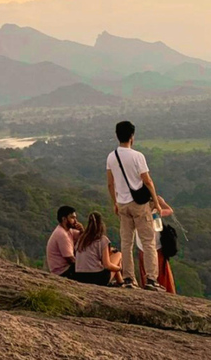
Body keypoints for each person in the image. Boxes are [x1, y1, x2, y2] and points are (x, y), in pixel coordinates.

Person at [106, 120, 165, 291]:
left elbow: (110, 183)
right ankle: (151, 279)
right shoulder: (137, 156)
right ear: (132, 136)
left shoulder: (111, 157)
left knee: (126, 242)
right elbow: (147, 181)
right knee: (148, 242)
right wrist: (156, 202)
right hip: (139, 205)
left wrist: (115, 203)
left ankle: (128, 279)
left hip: (122, 204)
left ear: (117, 136)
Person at [136, 196, 176, 294]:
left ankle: (165, 290)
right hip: (141, 239)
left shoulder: (156, 198)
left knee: (160, 268)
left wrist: (157, 212)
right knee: (145, 266)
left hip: (155, 239)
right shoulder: (133, 199)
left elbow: (169, 210)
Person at [74, 212, 124, 286]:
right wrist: (119, 268)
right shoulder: (103, 239)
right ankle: (120, 281)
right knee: (118, 254)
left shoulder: (81, 239)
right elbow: (107, 265)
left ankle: (120, 282)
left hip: (80, 276)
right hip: (96, 278)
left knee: (110, 255)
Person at [46, 205, 84, 279]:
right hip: (62, 272)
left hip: (67, 269)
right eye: (72, 218)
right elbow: (70, 259)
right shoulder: (62, 234)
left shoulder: (69, 231)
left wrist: (82, 230)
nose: (75, 221)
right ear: (64, 219)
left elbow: (84, 239)